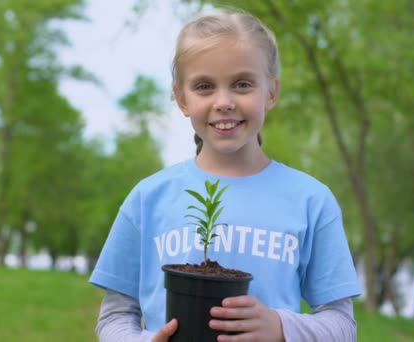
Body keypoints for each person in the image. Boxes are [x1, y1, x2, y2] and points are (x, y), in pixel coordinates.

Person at [90, 9, 361, 342]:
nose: (224, 102)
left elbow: (342, 325)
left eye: (242, 84)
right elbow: (115, 317)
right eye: (204, 87)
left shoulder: (312, 200)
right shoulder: (148, 198)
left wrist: (280, 327)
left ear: (271, 93)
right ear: (181, 98)